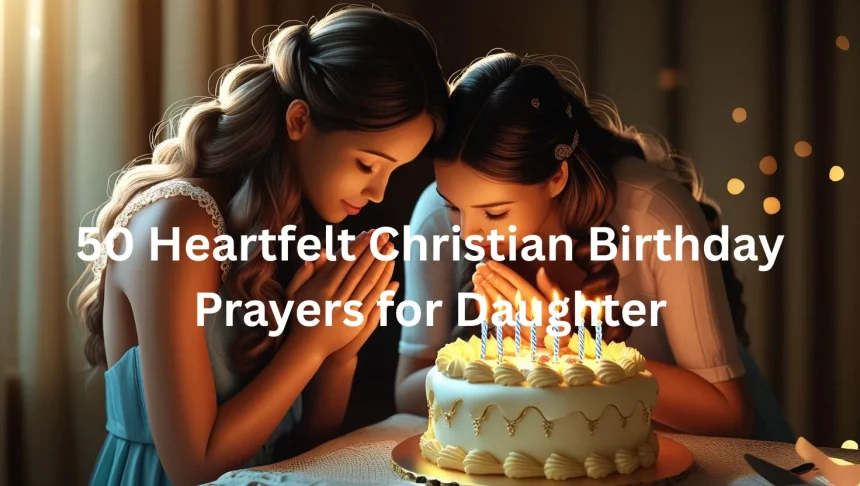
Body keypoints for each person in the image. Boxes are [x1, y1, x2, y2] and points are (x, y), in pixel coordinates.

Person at [72, 7, 448, 486]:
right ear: (299, 120)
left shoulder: (282, 222)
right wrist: (311, 346)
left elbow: (299, 456)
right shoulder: (180, 223)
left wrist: (339, 354)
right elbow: (195, 467)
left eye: (393, 171)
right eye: (367, 164)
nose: (378, 193)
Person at [396, 51, 768, 439]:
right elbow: (406, 392)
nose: (468, 235)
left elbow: (728, 414)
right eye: (454, 206)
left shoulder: (652, 211)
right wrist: (497, 353)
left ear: (556, 177)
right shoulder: (434, 216)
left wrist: (569, 346)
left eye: (495, 213)